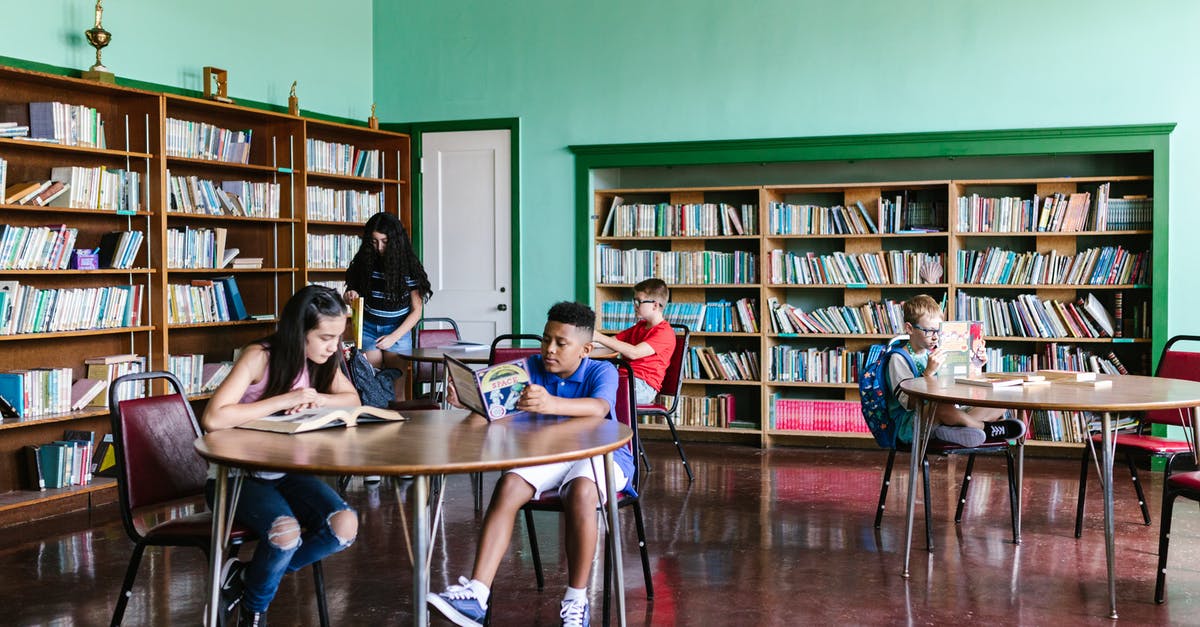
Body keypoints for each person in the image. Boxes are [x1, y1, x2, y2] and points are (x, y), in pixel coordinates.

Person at [429, 301, 635, 627]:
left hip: (601, 455)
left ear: (586, 349)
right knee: (508, 484)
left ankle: (576, 599)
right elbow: (494, 414)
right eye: (545, 339)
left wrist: (551, 403)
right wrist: (470, 401)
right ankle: (476, 595)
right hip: (548, 453)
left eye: (561, 343)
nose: (549, 349)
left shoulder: (602, 370)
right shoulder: (530, 367)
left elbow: (598, 408)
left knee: (581, 493)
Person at [201, 285, 361, 626]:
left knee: (344, 525)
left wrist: (317, 398)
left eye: (338, 337)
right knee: (286, 534)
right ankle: (254, 612)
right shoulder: (258, 355)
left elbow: (353, 400)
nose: (335, 346)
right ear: (298, 331)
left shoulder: (321, 359)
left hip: (287, 473)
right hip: (236, 478)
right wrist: (284, 401)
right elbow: (213, 418)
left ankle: (245, 579)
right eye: (326, 337)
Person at [890, 294, 1026, 448]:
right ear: (909, 328)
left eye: (938, 331)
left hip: (949, 414)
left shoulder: (937, 352)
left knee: (1001, 401)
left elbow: (961, 387)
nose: (935, 338)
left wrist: (976, 364)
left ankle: (955, 431)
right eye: (929, 331)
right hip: (914, 424)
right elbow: (909, 404)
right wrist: (927, 374)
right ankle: (986, 429)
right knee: (940, 407)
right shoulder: (898, 358)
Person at [343, 212, 432, 373]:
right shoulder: (365, 261)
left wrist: (394, 337)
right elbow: (348, 294)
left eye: (384, 242)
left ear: (395, 241)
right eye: (374, 242)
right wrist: (350, 296)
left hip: (398, 331)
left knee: (396, 389)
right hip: (368, 329)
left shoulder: (408, 267)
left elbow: (416, 311)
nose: (379, 247)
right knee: (371, 386)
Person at [591, 278, 676, 405]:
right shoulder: (640, 326)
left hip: (643, 386)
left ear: (655, 305)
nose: (635, 305)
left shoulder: (665, 332)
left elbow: (635, 352)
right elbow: (610, 343)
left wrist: (598, 336)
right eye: (634, 301)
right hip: (625, 378)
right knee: (590, 382)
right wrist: (584, 344)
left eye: (639, 301)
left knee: (597, 390)